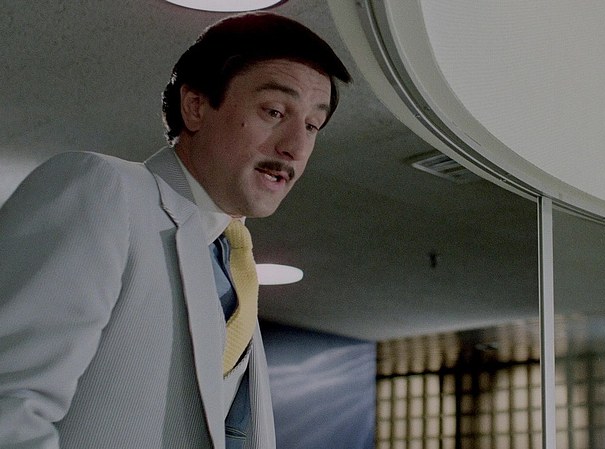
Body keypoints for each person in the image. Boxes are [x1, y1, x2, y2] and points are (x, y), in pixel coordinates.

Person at [0, 12, 351, 449]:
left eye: (312, 126)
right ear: (196, 106)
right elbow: (10, 403)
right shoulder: (104, 189)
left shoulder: (233, 261)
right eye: (274, 111)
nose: (295, 147)